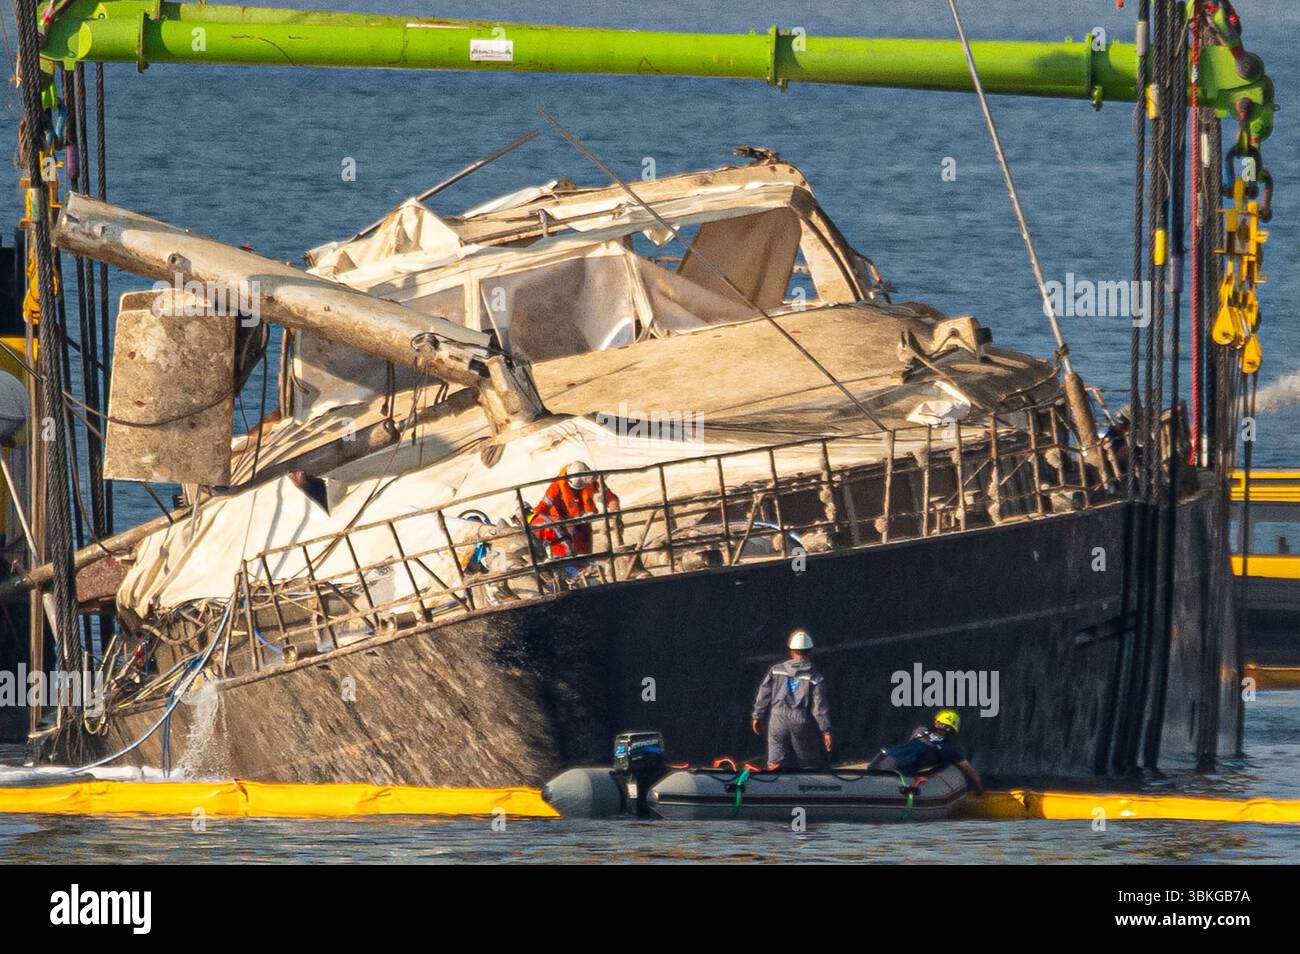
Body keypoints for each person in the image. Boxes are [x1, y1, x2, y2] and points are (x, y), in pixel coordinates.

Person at [750, 629, 833, 770]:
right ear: (809, 652)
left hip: (776, 721)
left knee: (775, 765)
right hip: (800, 722)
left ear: (791, 651)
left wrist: (757, 716)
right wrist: (826, 730)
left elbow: (764, 694)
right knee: (808, 765)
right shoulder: (815, 677)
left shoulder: (776, 670)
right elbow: (819, 707)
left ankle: (776, 782)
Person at [869, 709, 983, 794]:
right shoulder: (948, 750)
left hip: (880, 759)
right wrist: (979, 788)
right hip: (896, 770)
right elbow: (969, 769)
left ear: (936, 723)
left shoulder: (919, 731)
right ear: (953, 730)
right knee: (944, 765)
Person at [529, 460, 621, 559]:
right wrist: (551, 523)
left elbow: (611, 499)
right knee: (570, 558)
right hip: (562, 528)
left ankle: (586, 565)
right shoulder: (556, 486)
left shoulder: (591, 479)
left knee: (585, 558)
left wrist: (615, 515)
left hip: (583, 525)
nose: (577, 492)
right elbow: (541, 508)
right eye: (575, 489)